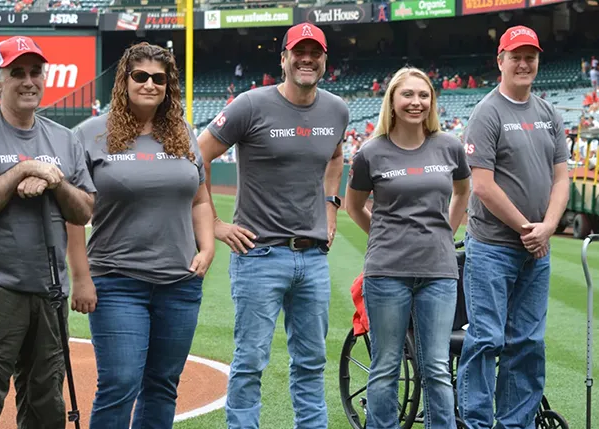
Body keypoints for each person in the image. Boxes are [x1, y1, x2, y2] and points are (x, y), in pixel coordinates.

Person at [198, 22, 349, 429]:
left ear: (323, 61)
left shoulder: (336, 109)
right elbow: (199, 155)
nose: (306, 59)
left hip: (313, 257)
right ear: (283, 59)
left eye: (314, 53)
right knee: (249, 361)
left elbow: (336, 158)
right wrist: (213, 222)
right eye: (298, 52)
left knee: (311, 361)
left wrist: (331, 206)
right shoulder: (250, 104)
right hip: (258, 255)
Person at [67, 42, 215, 429]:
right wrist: (81, 277)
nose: (150, 84)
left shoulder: (182, 132)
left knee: (163, 385)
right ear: (124, 81)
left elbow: (200, 199)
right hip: (117, 281)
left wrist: (209, 246)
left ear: (169, 85)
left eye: (159, 78)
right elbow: (73, 212)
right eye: (140, 76)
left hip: (179, 283)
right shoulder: (91, 133)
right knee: (120, 383)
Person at [457, 26, 570, 429]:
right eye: (516, 56)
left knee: (528, 343)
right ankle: (475, 423)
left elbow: (562, 177)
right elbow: (483, 186)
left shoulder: (548, 112)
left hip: (536, 249)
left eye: (531, 57)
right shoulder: (487, 112)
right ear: (500, 61)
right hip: (493, 248)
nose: (524, 64)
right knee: (486, 340)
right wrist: (529, 228)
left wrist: (550, 226)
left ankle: (515, 424)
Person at [345, 66, 471, 429]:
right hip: (387, 272)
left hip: (439, 273)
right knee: (386, 366)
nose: (416, 102)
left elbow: (463, 190)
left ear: (431, 101)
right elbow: (355, 205)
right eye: (408, 95)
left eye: (423, 95)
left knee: (435, 368)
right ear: (392, 101)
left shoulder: (449, 146)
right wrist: (383, 235)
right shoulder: (371, 152)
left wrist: (446, 231)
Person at [0, 35, 95, 428]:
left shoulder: (63, 138)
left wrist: (54, 181)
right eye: (16, 72)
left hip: (49, 289)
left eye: (35, 72)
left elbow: (85, 208)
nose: (28, 80)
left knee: (45, 400)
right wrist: (22, 170)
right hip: (1, 287)